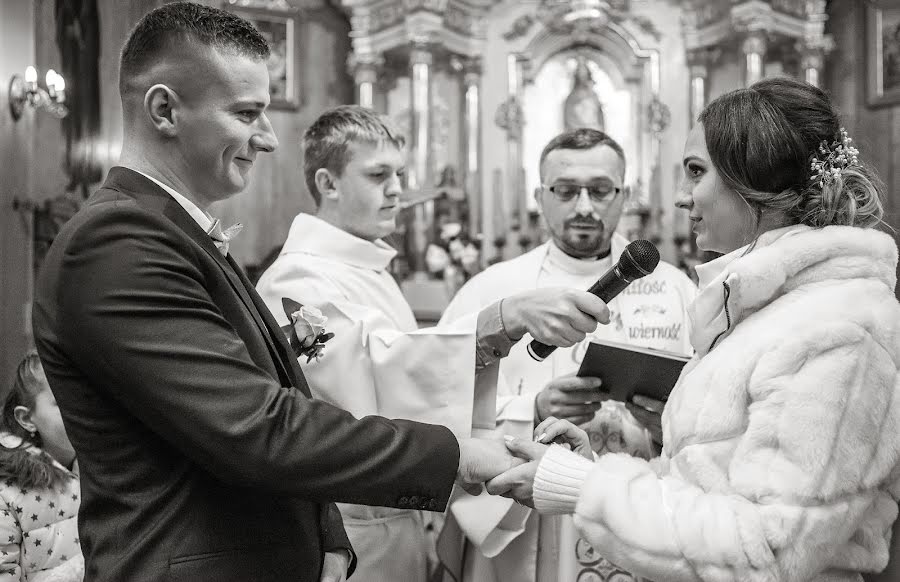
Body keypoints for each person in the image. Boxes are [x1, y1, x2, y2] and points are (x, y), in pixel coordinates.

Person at [30, 4, 555, 581]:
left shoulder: (175, 232)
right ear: (164, 111)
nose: (270, 138)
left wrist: (326, 533)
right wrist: (454, 455)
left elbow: (279, 395)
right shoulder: (117, 242)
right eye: (247, 113)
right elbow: (255, 429)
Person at [489, 77, 900, 582]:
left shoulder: (836, 328)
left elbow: (769, 549)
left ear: (756, 182)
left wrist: (581, 487)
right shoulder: (764, 307)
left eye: (695, 172)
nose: (681, 198)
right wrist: (597, 472)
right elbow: (708, 483)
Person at [256, 105, 620, 582]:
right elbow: (367, 384)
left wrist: (520, 416)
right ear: (328, 184)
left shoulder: (366, 268)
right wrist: (501, 320)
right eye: (378, 175)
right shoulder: (298, 277)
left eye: (400, 174)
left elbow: (416, 400)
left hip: (397, 520)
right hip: (349, 535)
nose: (396, 191)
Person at [437, 128, 697, 581]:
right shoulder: (492, 290)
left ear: (625, 195)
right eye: (565, 190)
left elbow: (715, 418)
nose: (583, 206)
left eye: (599, 190)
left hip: (640, 516)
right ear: (541, 195)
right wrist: (531, 410)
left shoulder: (676, 289)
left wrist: (668, 426)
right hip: (523, 526)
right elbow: (436, 405)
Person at [0, 352, 83, 582]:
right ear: (26, 419)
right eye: (62, 402)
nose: (79, 411)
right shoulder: (7, 489)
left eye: (84, 397)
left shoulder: (104, 467)